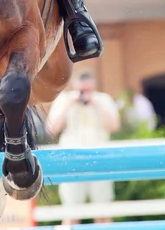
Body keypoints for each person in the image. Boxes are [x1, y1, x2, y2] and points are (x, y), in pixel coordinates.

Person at [47, 71, 120, 225]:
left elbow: (114, 126)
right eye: (82, 90)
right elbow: (51, 128)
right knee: (71, 212)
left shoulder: (103, 99)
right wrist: (69, 104)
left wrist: (96, 105)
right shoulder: (65, 100)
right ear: (75, 87)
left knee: (103, 212)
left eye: (88, 90)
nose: (84, 94)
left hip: (100, 160)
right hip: (72, 161)